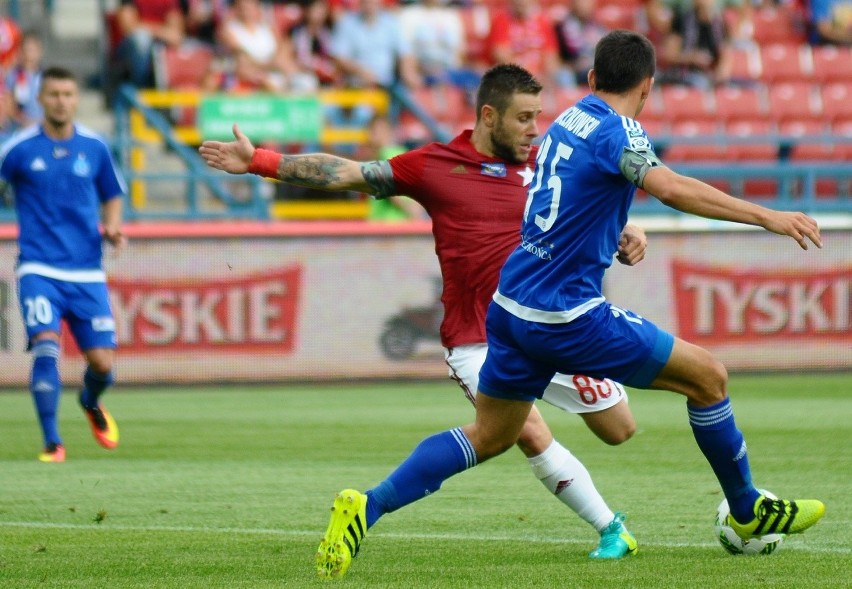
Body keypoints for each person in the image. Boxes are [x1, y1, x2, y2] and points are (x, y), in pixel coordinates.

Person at [303, 30, 828, 579]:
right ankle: (747, 511)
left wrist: (615, 228)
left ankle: (369, 505)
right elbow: (669, 187)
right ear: (648, 88)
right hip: (566, 314)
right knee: (708, 378)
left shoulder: (567, 122)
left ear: (593, 79)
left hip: (509, 306)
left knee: (490, 435)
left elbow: (569, 196)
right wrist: (768, 216)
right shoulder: (618, 131)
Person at [199, 63, 645, 566]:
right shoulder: (435, 166)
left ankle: (611, 529)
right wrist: (261, 160)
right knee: (519, 433)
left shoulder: (546, 165)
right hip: (479, 339)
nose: (533, 130)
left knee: (618, 427)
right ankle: (609, 530)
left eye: (537, 117)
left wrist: (626, 230)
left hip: (551, 323)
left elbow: (592, 205)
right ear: (488, 115)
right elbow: (348, 172)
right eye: (523, 119)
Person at [0, 67, 126, 463]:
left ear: (76, 99)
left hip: (87, 271)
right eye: (53, 94)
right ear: (40, 99)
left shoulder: (94, 146)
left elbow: (112, 193)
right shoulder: (19, 148)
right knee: (46, 349)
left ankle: (90, 401)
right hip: (39, 268)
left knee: (103, 365)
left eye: (68, 94)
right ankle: (53, 442)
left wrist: (112, 227)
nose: (61, 101)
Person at [5, 30, 44, 127]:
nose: (28, 54)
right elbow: (8, 104)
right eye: (24, 50)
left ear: (39, 51)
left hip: (42, 125)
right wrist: (21, 120)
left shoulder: (46, 76)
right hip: (19, 126)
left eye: (31, 50)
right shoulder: (12, 76)